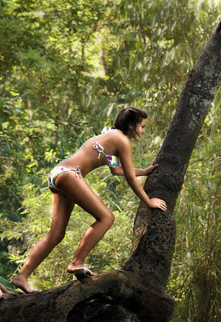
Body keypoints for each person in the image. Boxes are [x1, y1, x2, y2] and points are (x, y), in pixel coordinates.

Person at [9, 106, 168, 293]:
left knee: (56, 234)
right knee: (107, 218)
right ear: (132, 126)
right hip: (70, 174)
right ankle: (76, 263)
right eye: (142, 126)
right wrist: (149, 201)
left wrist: (144, 171)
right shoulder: (122, 140)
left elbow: (117, 170)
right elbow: (130, 179)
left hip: (59, 173)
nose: (143, 130)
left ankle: (22, 276)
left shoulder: (112, 136)